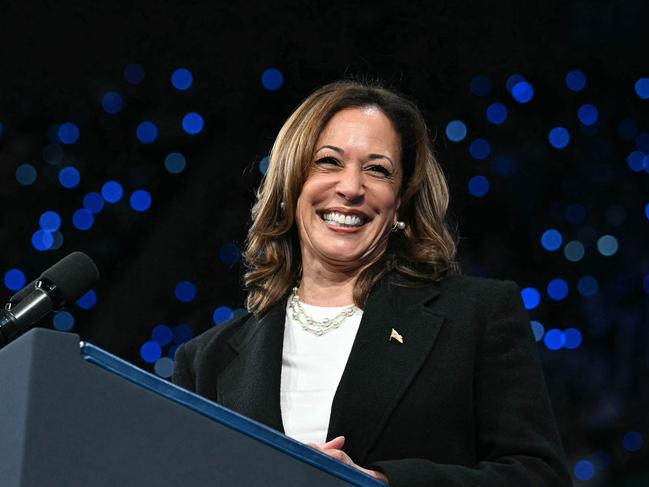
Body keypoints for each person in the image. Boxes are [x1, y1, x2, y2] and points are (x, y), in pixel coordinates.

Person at [172, 80, 571, 486]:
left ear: (401, 202)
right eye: (328, 162)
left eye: (377, 170)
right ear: (290, 186)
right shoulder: (205, 360)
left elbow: (539, 477)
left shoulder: (477, 317)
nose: (350, 188)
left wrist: (379, 483)